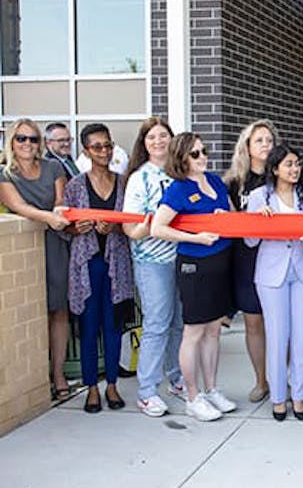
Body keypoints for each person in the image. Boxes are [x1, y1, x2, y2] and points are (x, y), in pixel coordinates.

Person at [151, 132, 237, 422]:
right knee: (194, 331)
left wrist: (224, 217)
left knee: (214, 329)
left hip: (221, 260)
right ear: (182, 159)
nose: (203, 158)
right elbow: (157, 228)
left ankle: (211, 389)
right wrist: (196, 237)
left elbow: (232, 214)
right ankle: (192, 396)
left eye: (205, 151)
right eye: (196, 154)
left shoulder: (214, 181)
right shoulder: (178, 189)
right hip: (195, 264)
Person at [245, 143, 303, 421]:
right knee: (277, 336)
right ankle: (278, 397)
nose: (295, 169)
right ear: (275, 168)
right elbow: (250, 240)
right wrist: (259, 221)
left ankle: (299, 395)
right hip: (271, 273)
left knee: (302, 335)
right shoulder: (259, 196)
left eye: (297, 164)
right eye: (288, 164)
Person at [61, 123, 133, 414]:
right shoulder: (75, 185)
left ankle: (112, 384)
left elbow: (132, 222)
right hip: (86, 265)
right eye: (97, 147)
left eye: (107, 145)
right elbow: (63, 226)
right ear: (85, 151)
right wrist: (77, 229)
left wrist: (116, 226)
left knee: (114, 325)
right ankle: (92, 388)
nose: (104, 151)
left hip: (117, 265)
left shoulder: (124, 183)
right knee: (89, 328)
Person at [0, 119, 73, 400]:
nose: (28, 144)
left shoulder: (54, 167)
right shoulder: (5, 174)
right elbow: (19, 206)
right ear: (12, 142)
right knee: (35, 310)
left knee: (59, 310)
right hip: (26, 246)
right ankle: (38, 376)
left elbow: (61, 199)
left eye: (33, 139)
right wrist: (50, 218)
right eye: (21, 139)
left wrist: (57, 215)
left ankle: (58, 374)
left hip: (55, 243)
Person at [122, 117, 186, 417]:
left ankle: (176, 379)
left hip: (183, 258)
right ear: (143, 143)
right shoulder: (139, 177)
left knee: (179, 323)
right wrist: (158, 225)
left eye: (164, 136)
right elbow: (130, 229)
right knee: (157, 324)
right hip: (152, 262)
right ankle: (147, 391)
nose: (159, 142)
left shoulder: (181, 174)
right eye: (152, 137)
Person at [223, 119, 278, 403]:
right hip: (246, 259)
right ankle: (261, 380)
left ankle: (283, 379)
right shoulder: (233, 182)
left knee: (279, 323)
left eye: (269, 140)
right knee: (254, 323)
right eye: (259, 140)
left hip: (277, 256)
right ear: (247, 146)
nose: (265, 145)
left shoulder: (282, 176)